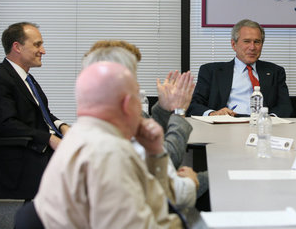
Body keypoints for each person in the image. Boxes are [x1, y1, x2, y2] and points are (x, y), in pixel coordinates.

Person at [34, 61, 182, 228]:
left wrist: (155, 155)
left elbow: (154, 205)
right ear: (127, 104)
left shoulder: (79, 136)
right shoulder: (109, 154)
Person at [82, 42, 208, 208]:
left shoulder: (100, 110)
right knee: (220, 178)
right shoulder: (120, 117)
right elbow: (167, 158)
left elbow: (153, 140)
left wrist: (164, 108)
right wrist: (179, 112)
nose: (138, 85)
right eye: (132, 75)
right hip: (154, 202)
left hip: (148, 192)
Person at [0, 22, 70, 199]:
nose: (43, 51)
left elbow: (42, 114)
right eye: (37, 44)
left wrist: (63, 126)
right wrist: (49, 138)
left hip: (38, 150)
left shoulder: (27, 79)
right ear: (17, 47)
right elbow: (5, 124)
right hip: (24, 159)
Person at [188, 19, 293, 117]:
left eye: (257, 42)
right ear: (234, 45)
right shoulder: (211, 71)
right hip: (225, 125)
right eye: (247, 41)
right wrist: (213, 114)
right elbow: (194, 105)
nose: (252, 47)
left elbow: (285, 107)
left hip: (261, 125)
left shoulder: (275, 72)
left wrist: (268, 119)